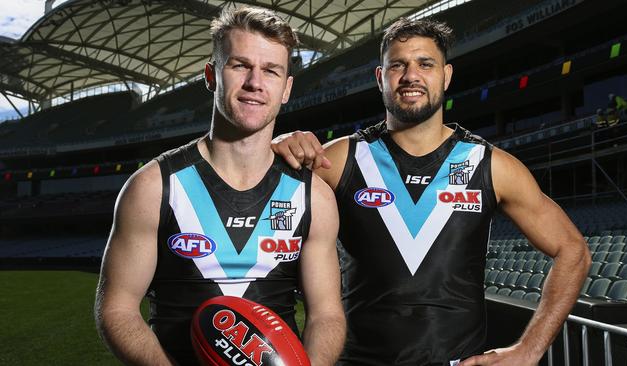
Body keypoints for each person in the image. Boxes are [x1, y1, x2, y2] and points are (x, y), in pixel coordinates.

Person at [272, 17, 591, 365]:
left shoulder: (491, 164)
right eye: (398, 65)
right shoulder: (339, 158)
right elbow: (255, 191)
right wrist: (277, 146)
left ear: (446, 75)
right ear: (381, 78)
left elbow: (572, 250)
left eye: (425, 64)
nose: (411, 76)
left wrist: (529, 350)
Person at [94, 7, 345, 366]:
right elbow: (116, 309)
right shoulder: (153, 186)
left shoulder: (313, 196)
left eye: (271, 71)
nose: (255, 83)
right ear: (212, 75)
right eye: (240, 65)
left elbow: (326, 315)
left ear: (286, 88)